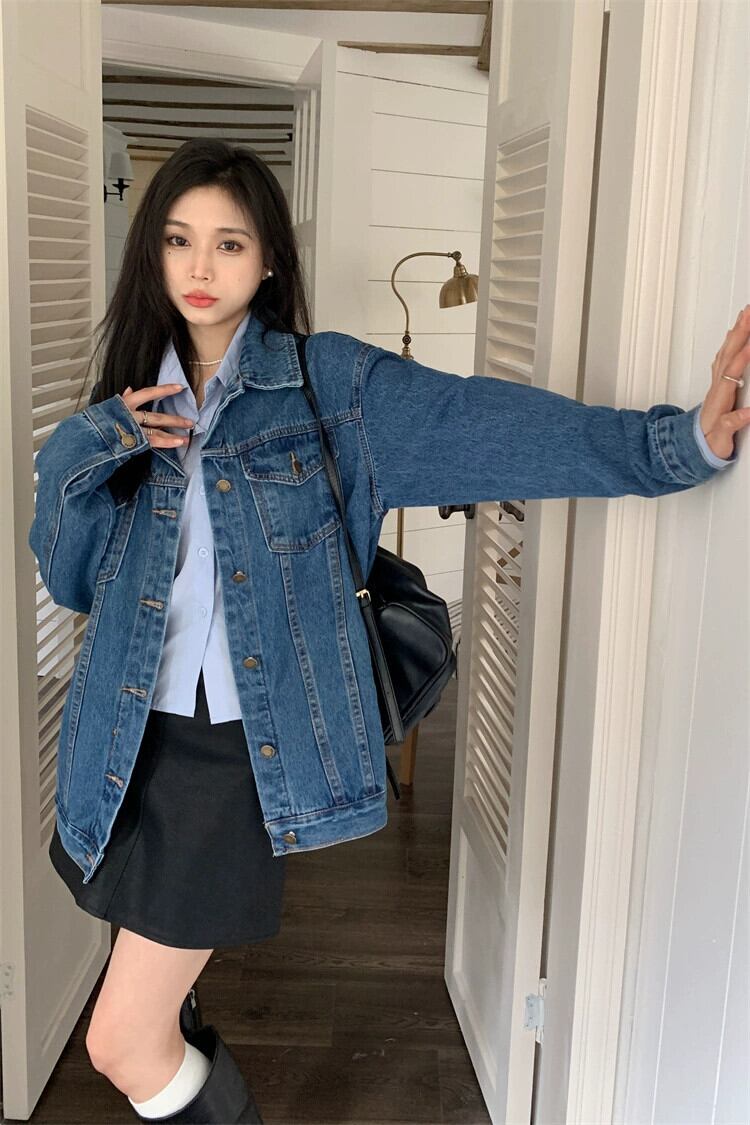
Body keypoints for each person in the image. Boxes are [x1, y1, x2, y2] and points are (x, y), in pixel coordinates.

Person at [28, 137, 749, 1125]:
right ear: (151, 253)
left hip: (230, 759)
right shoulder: (127, 407)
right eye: (179, 240)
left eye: (230, 243)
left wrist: (681, 443)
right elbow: (71, 580)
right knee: (155, 1010)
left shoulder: (330, 390)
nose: (201, 266)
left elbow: (492, 426)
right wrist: (87, 442)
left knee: (119, 1041)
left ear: (268, 261)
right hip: (118, 742)